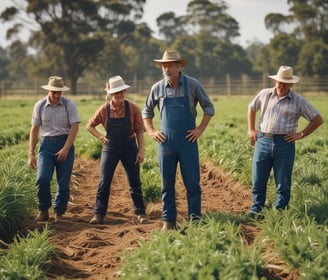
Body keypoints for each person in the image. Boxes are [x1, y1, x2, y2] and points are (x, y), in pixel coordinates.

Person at [142, 49, 215, 231]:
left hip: (187, 141)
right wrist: (151, 131)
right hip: (166, 142)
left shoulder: (192, 85)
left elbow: (209, 108)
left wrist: (199, 129)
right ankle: (169, 220)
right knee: (167, 183)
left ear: (178, 66)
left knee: (192, 182)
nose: (166, 68)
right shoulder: (157, 88)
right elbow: (146, 112)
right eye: (163, 65)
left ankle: (195, 219)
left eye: (170, 65)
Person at [248, 65, 323, 218]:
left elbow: (317, 119)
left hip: (285, 143)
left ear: (291, 84)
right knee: (258, 179)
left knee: (283, 182)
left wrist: (301, 134)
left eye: (285, 83)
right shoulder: (264, 94)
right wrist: (251, 130)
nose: (281, 86)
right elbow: (251, 108)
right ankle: (256, 210)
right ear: (275, 81)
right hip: (263, 140)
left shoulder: (298, 101)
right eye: (279, 82)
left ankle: (280, 213)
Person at [87, 75, 147, 225]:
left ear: (125, 91)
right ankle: (99, 214)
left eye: (122, 92)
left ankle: (140, 213)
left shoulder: (133, 108)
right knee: (104, 180)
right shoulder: (104, 109)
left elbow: (139, 130)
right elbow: (90, 125)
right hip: (110, 147)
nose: (120, 95)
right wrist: (101, 137)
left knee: (134, 181)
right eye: (116, 93)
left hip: (129, 146)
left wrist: (141, 151)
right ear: (110, 94)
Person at [28, 76, 80, 223]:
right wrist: (31, 153)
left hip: (65, 142)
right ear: (49, 90)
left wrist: (66, 148)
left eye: (59, 92)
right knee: (42, 179)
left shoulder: (69, 105)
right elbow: (34, 129)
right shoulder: (39, 106)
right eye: (54, 92)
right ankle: (43, 210)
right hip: (46, 145)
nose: (57, 96)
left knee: (63, 182)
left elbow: (75, 127)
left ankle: (59, 212)